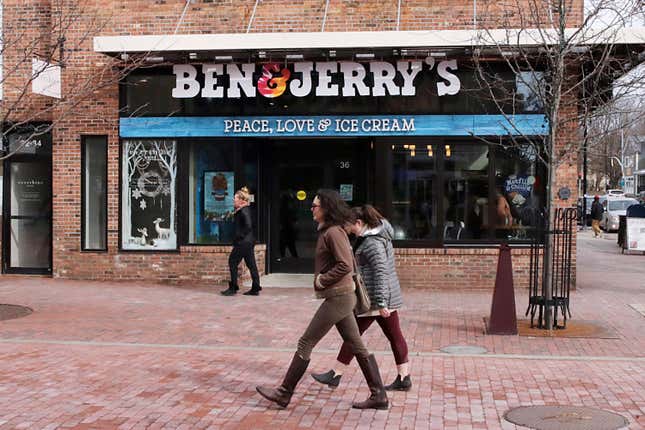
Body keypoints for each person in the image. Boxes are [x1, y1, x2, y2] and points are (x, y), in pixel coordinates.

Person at [256, 189, 388, 410]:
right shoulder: (330, 231)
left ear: (326, 208)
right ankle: (379, 395)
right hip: (342, 296)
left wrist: (322, 280)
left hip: (339, 296)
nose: (311, 208)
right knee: (357, 346)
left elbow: (345, 264)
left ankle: (284, 392)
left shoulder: (333, 232)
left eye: (315, 205)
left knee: (306, 341)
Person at [311, 204, 411, 391]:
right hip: (379, 298)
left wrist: (381, 302)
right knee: (393, 336)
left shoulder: (372, 243)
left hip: (375, 300)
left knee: (353, 335)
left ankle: (336, 374)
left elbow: (381, 272)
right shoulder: (372, 237)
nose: (348, 230)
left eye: (350, 226)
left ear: (359, 222)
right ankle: (404, 378)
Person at [220, 187, 262, 296]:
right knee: (251, 264)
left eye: (235, 198)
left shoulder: (244, 210)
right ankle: (256, 287)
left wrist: (239, 237)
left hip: (243, 242)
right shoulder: (243, 210)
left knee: (232, 262)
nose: (233, 200)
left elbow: (248, 226)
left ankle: (233, 288)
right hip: (248, 242)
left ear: (241, 200)